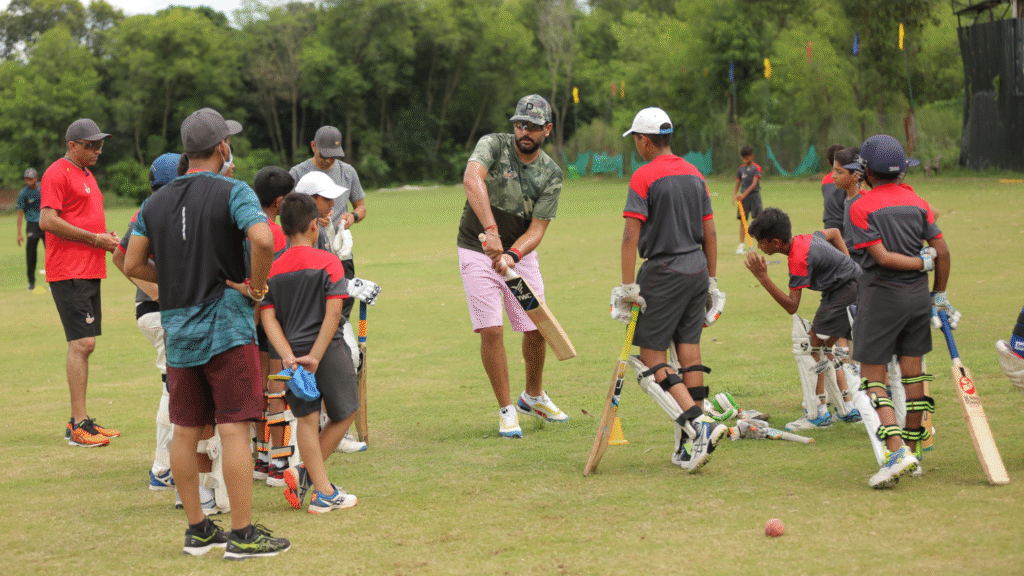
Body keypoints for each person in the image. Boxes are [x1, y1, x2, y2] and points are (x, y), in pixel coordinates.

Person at [124, 107, 289, 558]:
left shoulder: (152, 203)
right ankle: (241, 534)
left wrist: (174, 283)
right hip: (225, 325)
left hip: (178, 329)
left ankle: (197, 528)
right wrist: (255, 287)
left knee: (185, 429)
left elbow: (131, 263)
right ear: (222, 147)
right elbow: (264, 239)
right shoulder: (234, 190)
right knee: (234, 427)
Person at [612, 107, 727, 472]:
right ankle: (686, 446)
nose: (636, 147)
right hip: (696, 268)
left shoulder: (644, 175)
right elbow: (710, 232)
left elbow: (632, 234)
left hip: (664, 271)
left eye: (636, 140)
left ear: (645, 140)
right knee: (689, 354)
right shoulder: (695, 173)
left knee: (651, 358)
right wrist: (711, 280)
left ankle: (698, 422)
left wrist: (628, 285)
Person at [457, 93, 569, 438]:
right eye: (521, 124)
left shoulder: (551, 174)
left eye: (533, 127)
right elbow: (472, 178)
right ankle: (507, 409)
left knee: (536, 326)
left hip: (519, 256)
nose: (525, 131)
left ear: (546, 130)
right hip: (476, 249)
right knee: (491, 329)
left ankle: (532, 396)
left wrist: (512, 255)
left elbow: (537, 229)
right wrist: (491, 232)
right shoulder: (493, 144)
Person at [260, 193, 378, 513]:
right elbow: (333, 313)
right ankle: (321, 489)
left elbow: (267, 318)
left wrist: (287, 355)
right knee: (346, 410)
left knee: (307, 419)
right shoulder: (329, 261)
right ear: (315, 225)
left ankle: (305, 474)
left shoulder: (272, 268)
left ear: (283, 230)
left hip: (292, 356)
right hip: (327, 349)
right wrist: (314, 355)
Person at [846, 134, 952, 489]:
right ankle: (913, 451)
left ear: (865, 171)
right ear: (903, 171)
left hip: (881, 298)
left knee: (874, 378)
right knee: (913, 377)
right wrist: (939, 295)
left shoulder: (860, 207)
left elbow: (883, 259)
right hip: (918, 301)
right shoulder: (918, 202)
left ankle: (896, 453)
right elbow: (943, 251)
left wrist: (920, 264)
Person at [39, 118, 121, 447]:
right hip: (69, 269)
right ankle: (77, 425)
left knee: (86, 345)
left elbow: (84, 217)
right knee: (83, 344)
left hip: (88, 268)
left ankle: (82, 420)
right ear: (73, 146)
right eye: (91, 145)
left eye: (99, 144)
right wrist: (94, 239)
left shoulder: (86, 174)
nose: (98, 150)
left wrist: (104, 238)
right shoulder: (57, 172)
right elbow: (47, 219)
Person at [744, 207, 862, 430]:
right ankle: (847, 408)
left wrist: (762, 277)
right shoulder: (807, 238)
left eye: (761, 242)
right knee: (826, 347)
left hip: (845, 292)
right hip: (852, 288)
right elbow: (835, 232)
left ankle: (816, 414)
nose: (759, 246)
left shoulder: (798, 258)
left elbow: (792, 306)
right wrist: (849, 265)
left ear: (776, 243)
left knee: (808, 346)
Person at [289, 125, 366, 321]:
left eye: (334, 156)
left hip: (340, 250)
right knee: (314, 304)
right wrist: (310, 218)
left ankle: (341, 340)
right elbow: (286, 211)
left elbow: (361, 207)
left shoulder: (347, 172)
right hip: (309, 250)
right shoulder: (298, 173)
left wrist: (352, 217)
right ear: (313, 146)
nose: (328, 160)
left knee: (344, 302)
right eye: (324, 155)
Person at [250, 166, 293, 486]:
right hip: (272, 318)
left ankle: (261, 458)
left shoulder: (248, 226)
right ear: (279, 202)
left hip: (247, 317)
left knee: (261, 389)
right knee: (278, 388)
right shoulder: (277, 234)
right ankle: (279, 463)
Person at [16, 168, 45, 291]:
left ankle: (54, 282)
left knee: (51, 254)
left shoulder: (43, 188)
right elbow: (20, 214)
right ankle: (31, 283)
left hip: (45, 223)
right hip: (32, 225)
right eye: (26, 178)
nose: (28, 181)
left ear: (36, 179)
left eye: (31, 178)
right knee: (31, 255)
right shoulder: (24, 193)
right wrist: (19, 234)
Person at [733, 145, 762, 254]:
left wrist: (744, 194)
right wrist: (735, 195)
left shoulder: (756, 168)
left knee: (758, 220)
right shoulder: (741, 169)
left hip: (754, 197)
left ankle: (760, 243)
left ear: (752, 157)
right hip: (743, 199)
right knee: (743, 221)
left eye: (746, 158)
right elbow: (737, 183)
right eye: (743, 158)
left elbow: (754, 184)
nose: (744, 160)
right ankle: (741, 245)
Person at [821, 144, 846, 233]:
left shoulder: (824, 181)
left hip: (829, 224)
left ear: (828, 162)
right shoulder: (847, 179)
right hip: (844, 222)